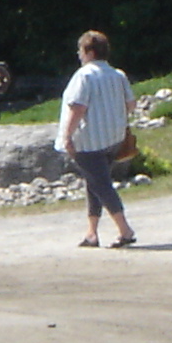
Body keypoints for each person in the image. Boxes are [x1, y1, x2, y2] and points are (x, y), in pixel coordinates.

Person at [55, 30, 137, 248]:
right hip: (113, 138)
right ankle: (92, 232)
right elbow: (131, 104)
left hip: (88, 141)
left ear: (89, 51)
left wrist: (67, 136)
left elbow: (78, 107)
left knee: (101, 184)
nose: (79, 55)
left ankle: (125, 230)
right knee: (95, 183)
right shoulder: (118, 74)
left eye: (81, 50)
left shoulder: (84, 75)